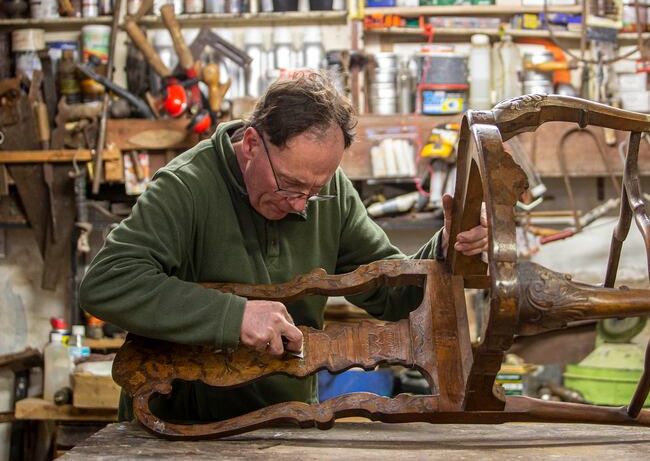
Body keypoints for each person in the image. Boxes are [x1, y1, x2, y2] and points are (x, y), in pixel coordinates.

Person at [80, 71, 487, 423]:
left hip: (284, 423)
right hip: (176, 429)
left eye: (316, 189)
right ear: (252, 143)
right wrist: (233, 316)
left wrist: (446, 250)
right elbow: (107, 283)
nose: (301, 204)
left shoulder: (332, 196)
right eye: (290, 185)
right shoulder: (186, 187)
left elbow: (393, 296)